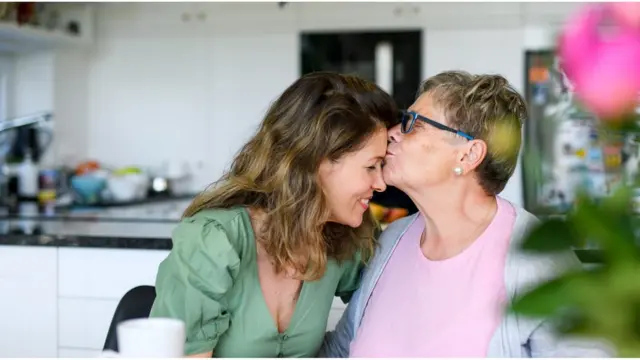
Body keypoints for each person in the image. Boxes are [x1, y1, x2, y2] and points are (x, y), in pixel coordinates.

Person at [319, 71, 612, 357]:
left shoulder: (536, 261)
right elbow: (340, 349)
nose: (392, 133)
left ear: (468, 155)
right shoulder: (392, 242)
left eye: (411, 123)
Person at [148, 71, 398, 357]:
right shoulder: (214, 242)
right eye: (371, 166)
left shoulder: (347, 240)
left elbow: (393, 319)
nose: (380, 184)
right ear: (317, 163)